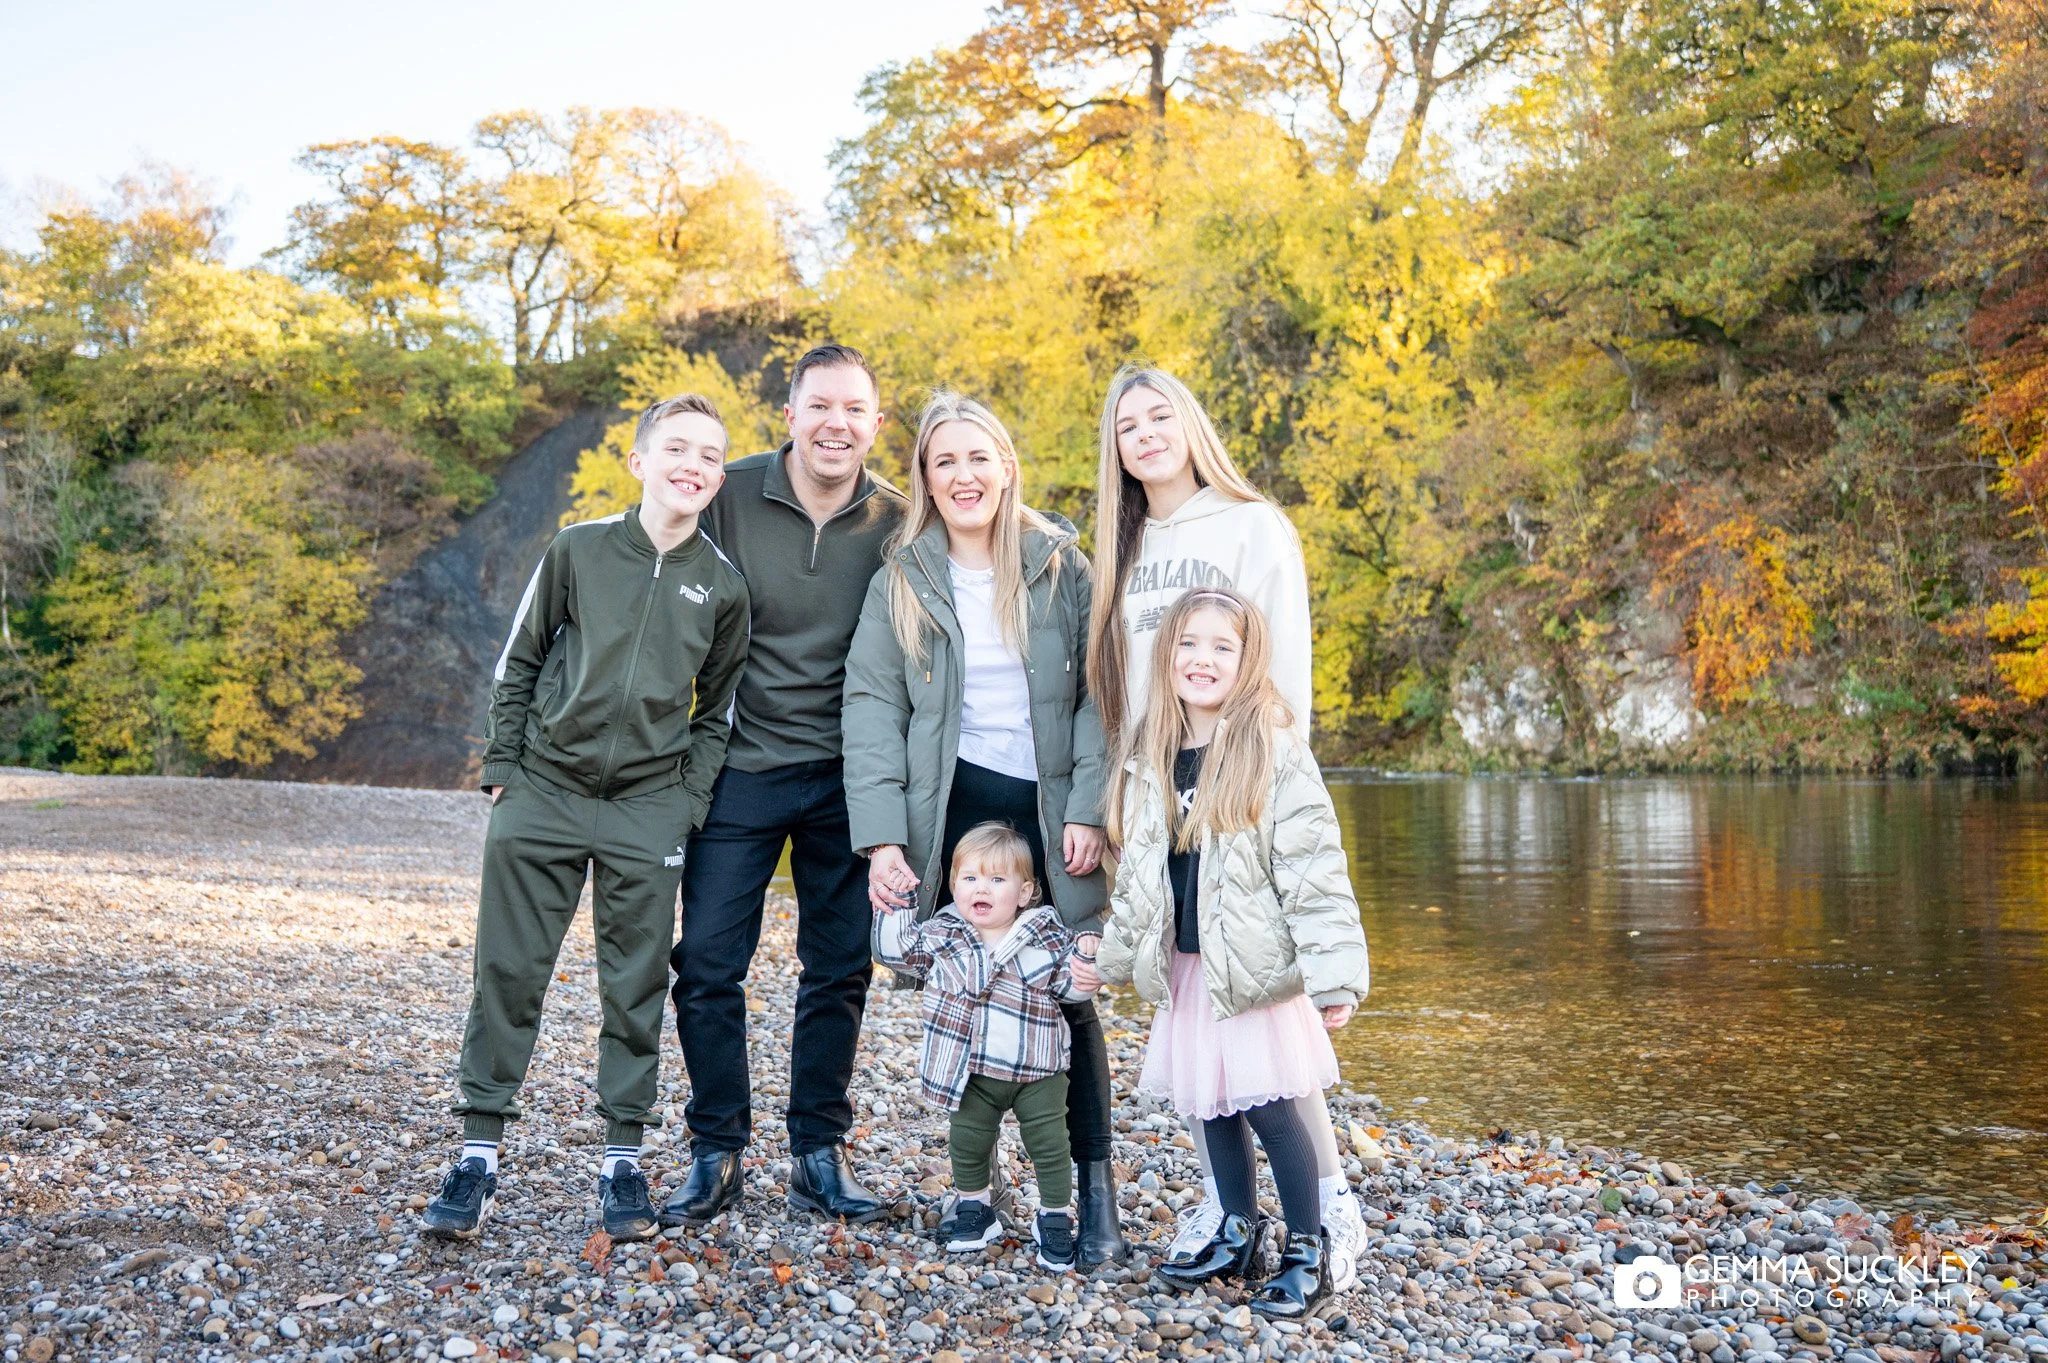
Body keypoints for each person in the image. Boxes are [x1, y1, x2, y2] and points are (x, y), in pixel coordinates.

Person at [424, 394, 750, 1242]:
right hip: (544, 792)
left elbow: (716, 713)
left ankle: (622, 1162)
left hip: (647, 809)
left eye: (709, 455)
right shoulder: (578, 549)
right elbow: (521, 658)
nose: (692, 465)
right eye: (675, 448)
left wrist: (685, 803)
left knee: (635, 985)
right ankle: (477, 1155)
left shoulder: (721, 587)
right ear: (639, 461)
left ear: (720, 477)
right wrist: (504, 771)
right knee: (508, 971)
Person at [1082, 364, 1369, 1276]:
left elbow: (1285, 670)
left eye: (1160, 416)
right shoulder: (1125, 546)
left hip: (1240, 795)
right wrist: (1125, 803)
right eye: (1128, 425)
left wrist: (1264, 789)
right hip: (1160, 795)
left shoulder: (1253, 524)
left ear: (1191, 424)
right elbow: (1124, 690)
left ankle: (1333, 1212)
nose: (1146, 435)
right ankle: (1230, 1211)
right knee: (1199, 1013)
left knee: (1266, 1025)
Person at [841, 391, 1128, 1264]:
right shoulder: (902, 579)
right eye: (944, 462)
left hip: (1051, 806)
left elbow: (1100, 695)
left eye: (978, 457)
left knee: (1070, 992)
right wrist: (883, 838)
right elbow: (872, 708)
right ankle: (979, 1182)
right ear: (927, 478)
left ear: (1006, 466)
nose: (963, 476)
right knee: (962, 992)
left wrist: (1089, 806)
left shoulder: (1062, 568)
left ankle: (1092, 1190)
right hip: (952, 806)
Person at [662, 344, 910, 1228]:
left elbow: (982, 538)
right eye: (820, 406)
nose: (836, 424)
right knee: (705, 964)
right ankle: (716, 1150)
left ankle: (818, 1153)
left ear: (876, 424)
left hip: (849, 778)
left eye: (854, 409)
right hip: (741, 765)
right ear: (790, 414)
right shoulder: (726, 494)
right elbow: (643, 554)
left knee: (838, 968)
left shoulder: (900, 521)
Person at [872, 822, 1096, 1270]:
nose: (982, 888)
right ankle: (974, 1207)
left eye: (997, 879)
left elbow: (1070, 987)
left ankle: (1054, 1216)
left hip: (1037, 1068)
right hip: (970, 1069)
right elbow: (896, 953)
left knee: (1050, 1143)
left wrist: (1088, 961)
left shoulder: (1046, 935)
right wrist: (899, 902)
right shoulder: (944, 934)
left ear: (1025, 892)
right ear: (954, 885)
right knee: (968, 1140)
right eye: (970, 878)